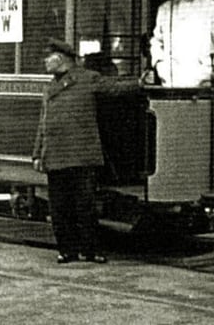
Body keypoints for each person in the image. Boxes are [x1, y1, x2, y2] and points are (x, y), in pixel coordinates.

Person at [32, 38, 140, 264]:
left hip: (81, 156)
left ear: (60, 59)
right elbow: (44, 124)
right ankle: (67, 250)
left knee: (85, 207)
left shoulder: (87, 79)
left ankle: (91, 250)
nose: (44, 61)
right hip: (56, 156)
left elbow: (115, 88)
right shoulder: (50, 87)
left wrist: (140, 82)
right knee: (60, 209)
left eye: (47, 57)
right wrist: (37, 154)